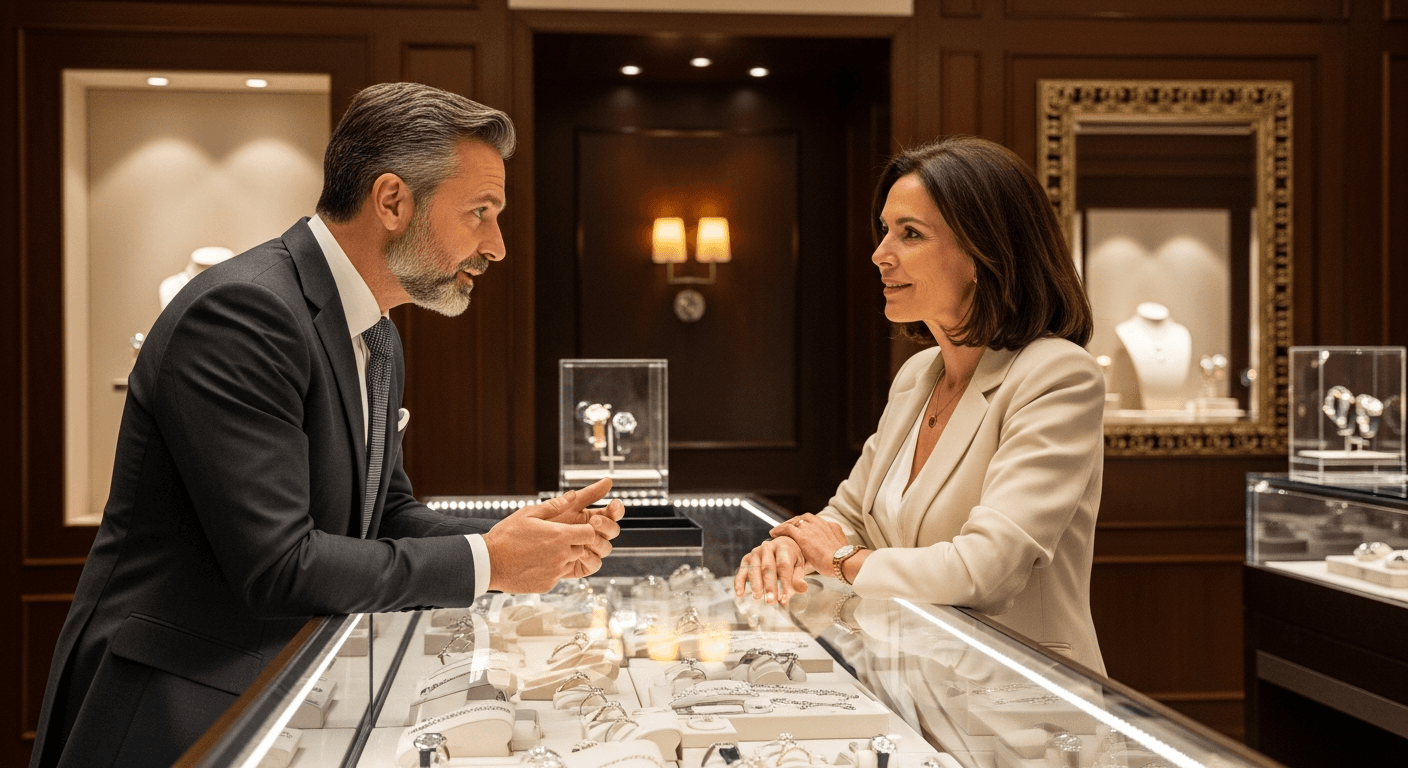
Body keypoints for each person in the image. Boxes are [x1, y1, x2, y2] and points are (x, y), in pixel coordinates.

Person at [31, 82, 623, 768]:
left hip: (275, 694)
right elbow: (281, 567)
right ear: (393, 201)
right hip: (172, 710)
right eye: (481, 213)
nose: (495, 246)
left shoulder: (377, 333)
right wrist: (491, 562)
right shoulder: (245, 312)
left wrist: (514, 535)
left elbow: (384, 513)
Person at [735, 135, 1106, 673]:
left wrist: (839, 560)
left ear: (985, 253)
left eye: (909, 234)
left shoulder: (1057, 374)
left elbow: (986, 570)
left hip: (1020, 706)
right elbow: (848, 515)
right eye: (885, 230)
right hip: (912, 683)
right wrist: (792, 548)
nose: (880, 254)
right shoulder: (917, 375)